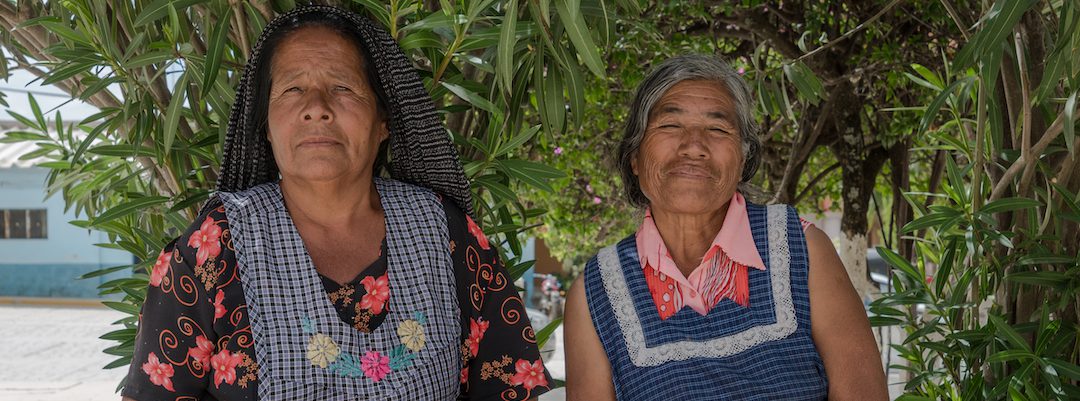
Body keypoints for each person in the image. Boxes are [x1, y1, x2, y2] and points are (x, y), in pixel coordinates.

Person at [120, 5, 551, 400]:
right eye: (292, 89)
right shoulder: (215, 246)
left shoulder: (445, 231)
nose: (317, 109)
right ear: (266, 125)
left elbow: (508, 383)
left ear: (384, 120)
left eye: (342, 87)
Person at [563, 55, 888, 401]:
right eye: (671, 126)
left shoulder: (802, 249)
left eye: (717, 129)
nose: (694, 146)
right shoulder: (594, 294)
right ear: (635, 158)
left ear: (744, 160)